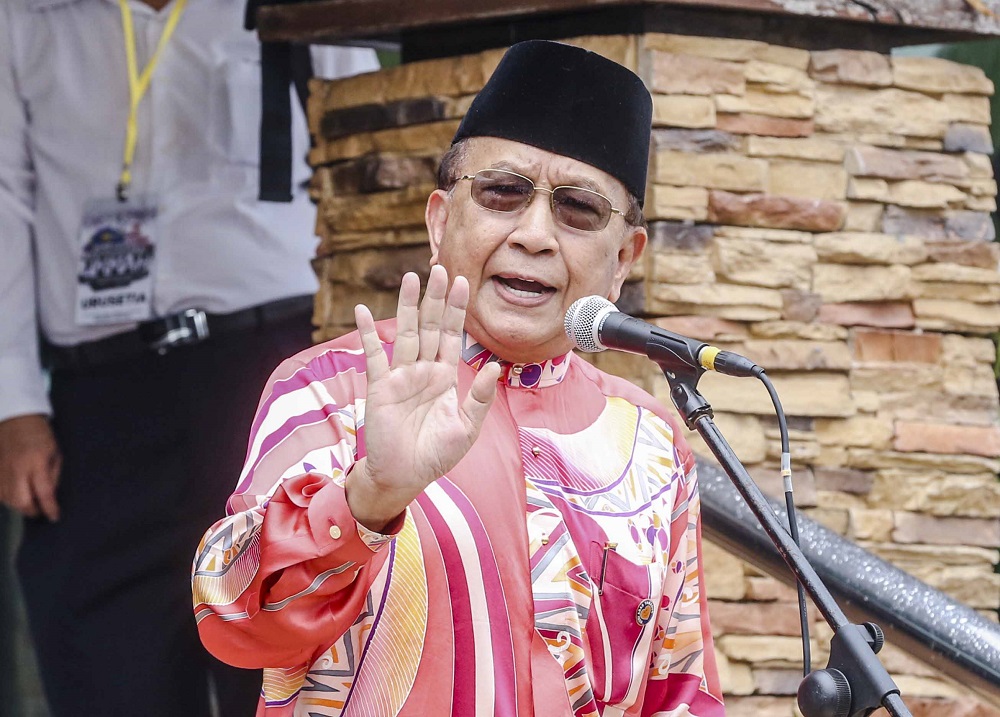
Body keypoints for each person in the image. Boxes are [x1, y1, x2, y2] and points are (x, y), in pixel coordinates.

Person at [193, 40, 725, 716]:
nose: (534, 233)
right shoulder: (326, 391)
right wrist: (368, 498)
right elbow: (233, 618)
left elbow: (680, 694)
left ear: (623, 258)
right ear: (441, 219)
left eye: (578, 209)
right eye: (503, 193)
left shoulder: (652, 443)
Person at [0, 1, 378, 715]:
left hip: (269, 381)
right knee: (102, 662)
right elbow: (5, 198)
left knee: (290, 669)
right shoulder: (30, 16)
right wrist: (13, 398)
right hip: (98, 403)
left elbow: (363, 148)